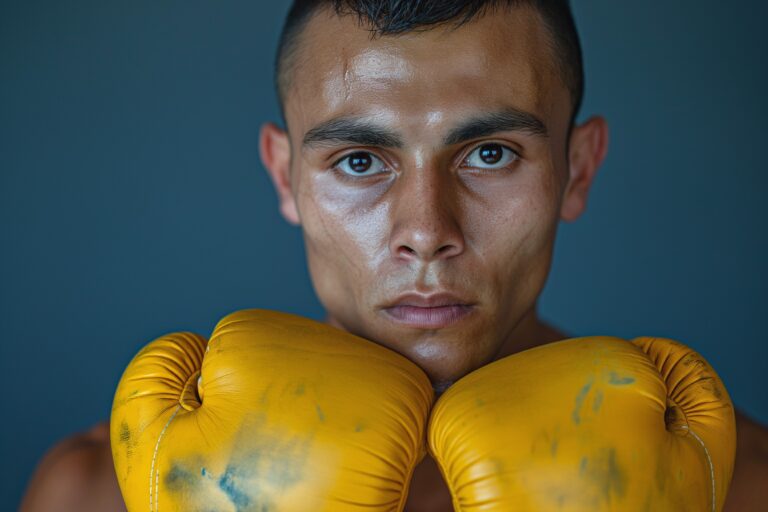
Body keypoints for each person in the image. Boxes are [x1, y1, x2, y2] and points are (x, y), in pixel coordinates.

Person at [19, 1, 768, 510]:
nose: (425, 230)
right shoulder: (102, 492)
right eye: (358, 161)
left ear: (579, 168)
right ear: (286, 178)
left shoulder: (736, 485)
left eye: (491, 152)